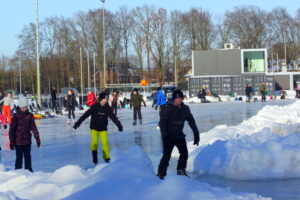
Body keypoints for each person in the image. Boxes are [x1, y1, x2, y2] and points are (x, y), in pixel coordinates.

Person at [157, 90, 200, 179]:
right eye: (177, 98)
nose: (179, 100)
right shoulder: (168, 108)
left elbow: (191, 121)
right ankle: (161, 174)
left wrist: (196, 133)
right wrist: (165, 135)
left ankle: (181, 170)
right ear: (174, 99)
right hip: (169, 135)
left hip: (179, 135)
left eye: (180, 98)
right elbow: (162, 123)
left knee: (184, 153)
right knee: (166, 156)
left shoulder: (185, 109)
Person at [73, 92, 123, 164]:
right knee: (94, 143)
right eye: (105, 99)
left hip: (103, 128)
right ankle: (95, 156)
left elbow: (113, 117)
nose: (106, 100)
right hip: (94, 128)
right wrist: (78, 123)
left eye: (106, 99)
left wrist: (119, 125)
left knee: (105, 143)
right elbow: (85, 115)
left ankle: (106, 158)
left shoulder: (107, 108)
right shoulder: (95, 106)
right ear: (101, 99)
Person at [9, 96, 41, 172]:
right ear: (20, 107)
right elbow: (12, 129)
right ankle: (17, 171)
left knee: (27, 157)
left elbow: (33, 128)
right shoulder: (15, 116)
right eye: (23, 107)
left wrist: (37, 138)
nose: (25, 108)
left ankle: (29, 171)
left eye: (26, 107)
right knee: (19, 157)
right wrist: (11, 140)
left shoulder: (30, 115)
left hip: (27, 141)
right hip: (18, 141)